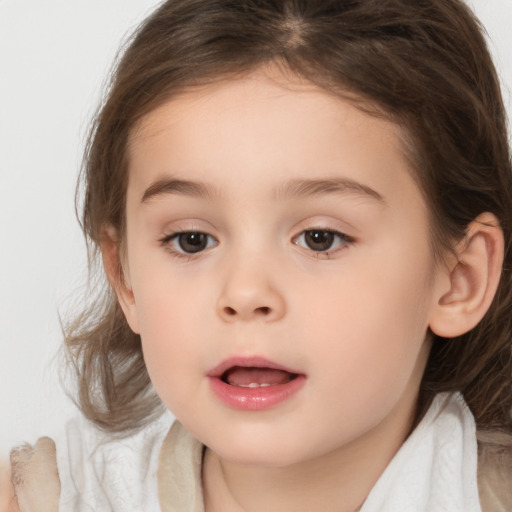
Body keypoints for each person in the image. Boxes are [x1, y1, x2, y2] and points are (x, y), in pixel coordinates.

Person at [6, 0, 512, 510]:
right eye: (191, 240)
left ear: (459, 279)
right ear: (126, 278)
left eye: (320, 238)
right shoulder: (46, 499)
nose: (245, 293)